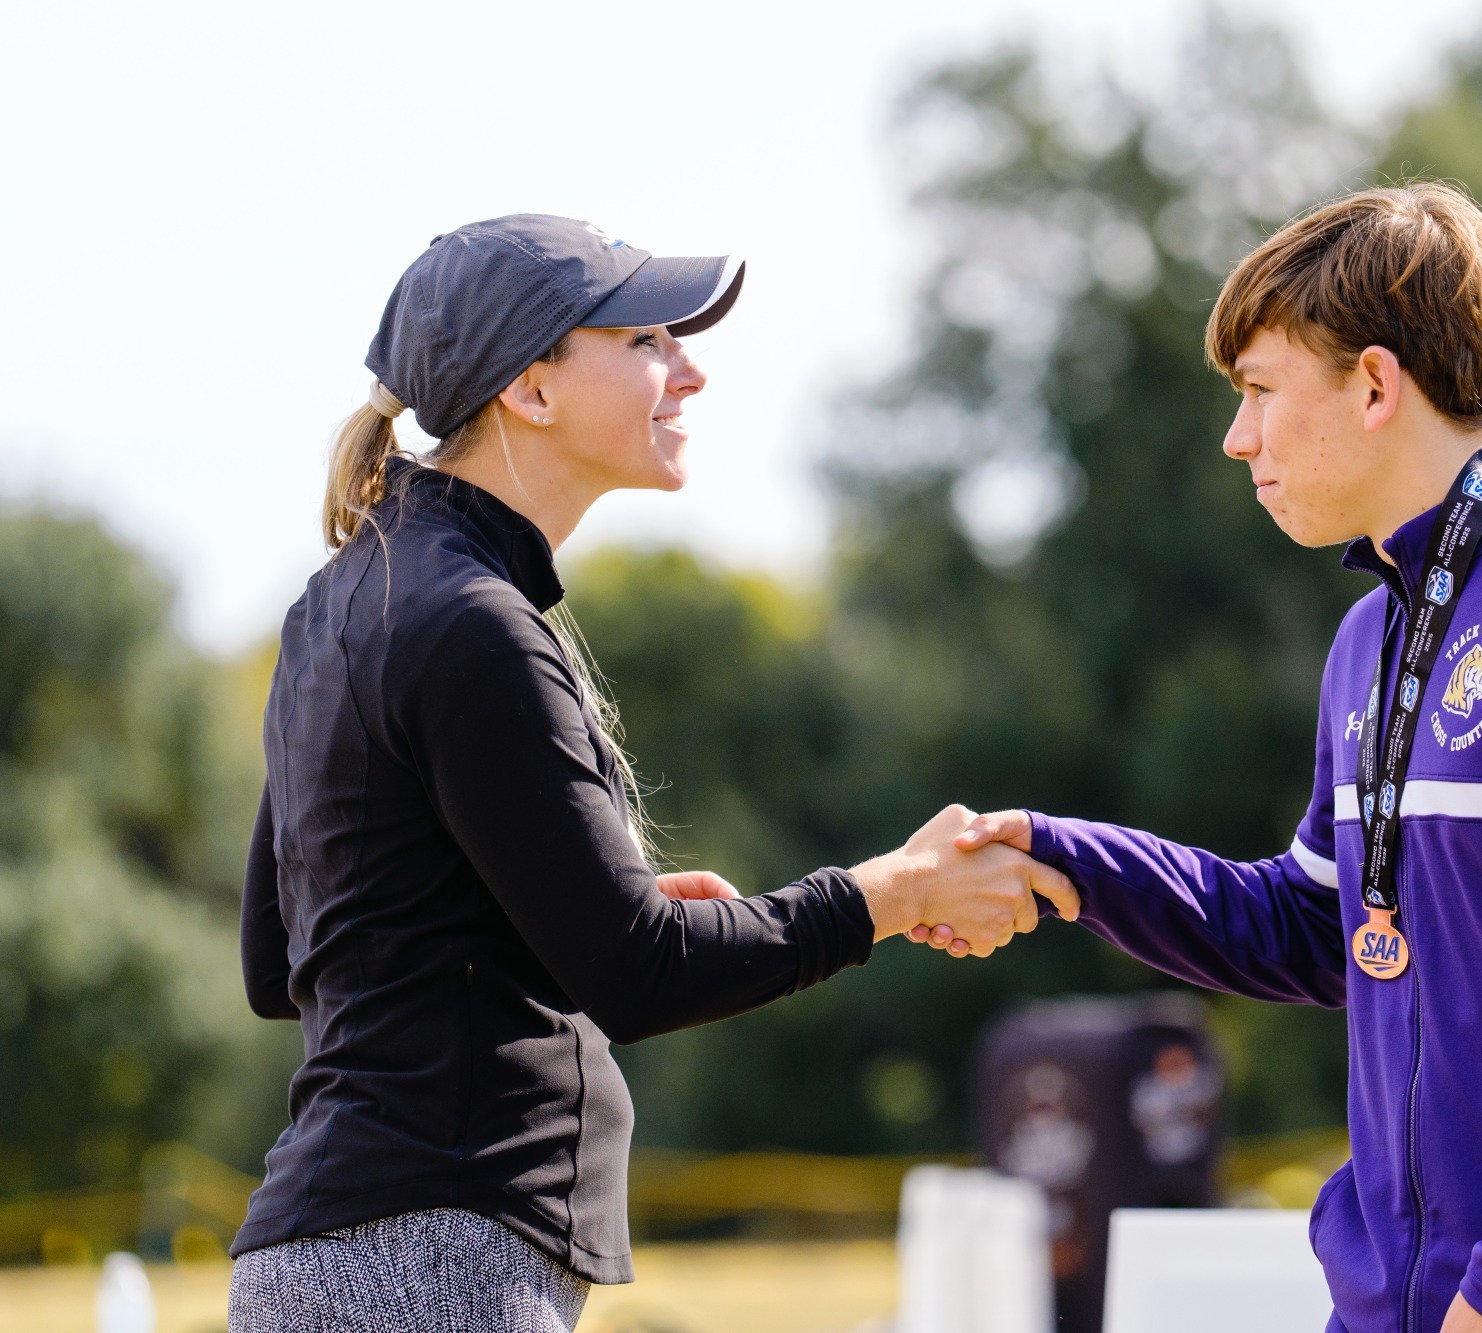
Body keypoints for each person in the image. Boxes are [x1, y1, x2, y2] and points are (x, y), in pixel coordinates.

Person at [932, 184, 1482, 1333]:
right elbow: (1312, 923)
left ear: (1375, 386)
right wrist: (1062, 859)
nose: (1237, 437)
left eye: (1258, 391)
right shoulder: (1368, 640)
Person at [229, 214, 1078, 1333]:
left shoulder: (340, 602)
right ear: (531, 388)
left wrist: (551, 897)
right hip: (426, 1266)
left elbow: (282, 957)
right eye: (644, 341)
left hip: (340, 1261)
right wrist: (896, 891)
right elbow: (642, 977)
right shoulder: (471, 624)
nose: (690, 369)